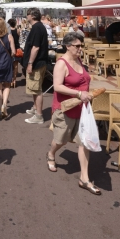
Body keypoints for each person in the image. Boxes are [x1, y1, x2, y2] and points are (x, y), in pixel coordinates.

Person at [46, 33, 101, 195]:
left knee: (84, 141)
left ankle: (84, 178)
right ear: (67, 46)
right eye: (77, 46)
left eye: (81, 45)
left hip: (82, 109)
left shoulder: (78, 60)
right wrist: (78, 94)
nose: (80, 48)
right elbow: (57, 86)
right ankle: (51, 153)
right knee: (61, 140)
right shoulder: (61, 64)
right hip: (65, 109)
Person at [23, 8, 49, 125]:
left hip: (37, 63)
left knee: (36, 89)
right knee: (34, 88)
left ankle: (39, 115)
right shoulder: (38, 27)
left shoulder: (37, 28)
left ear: (32, 16)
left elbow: (36, 47)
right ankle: (35, 108)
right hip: (39, 63)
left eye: (27, 14)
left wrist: (30, 63)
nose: (26, 16)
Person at [7, 18, 20, 87]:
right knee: (15, 65)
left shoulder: (7, 31)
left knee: (9, 65)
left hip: (9, 49)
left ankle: (10, 79)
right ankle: (14, 80)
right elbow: (18, 38)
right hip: (17, 48)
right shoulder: (17, 30)